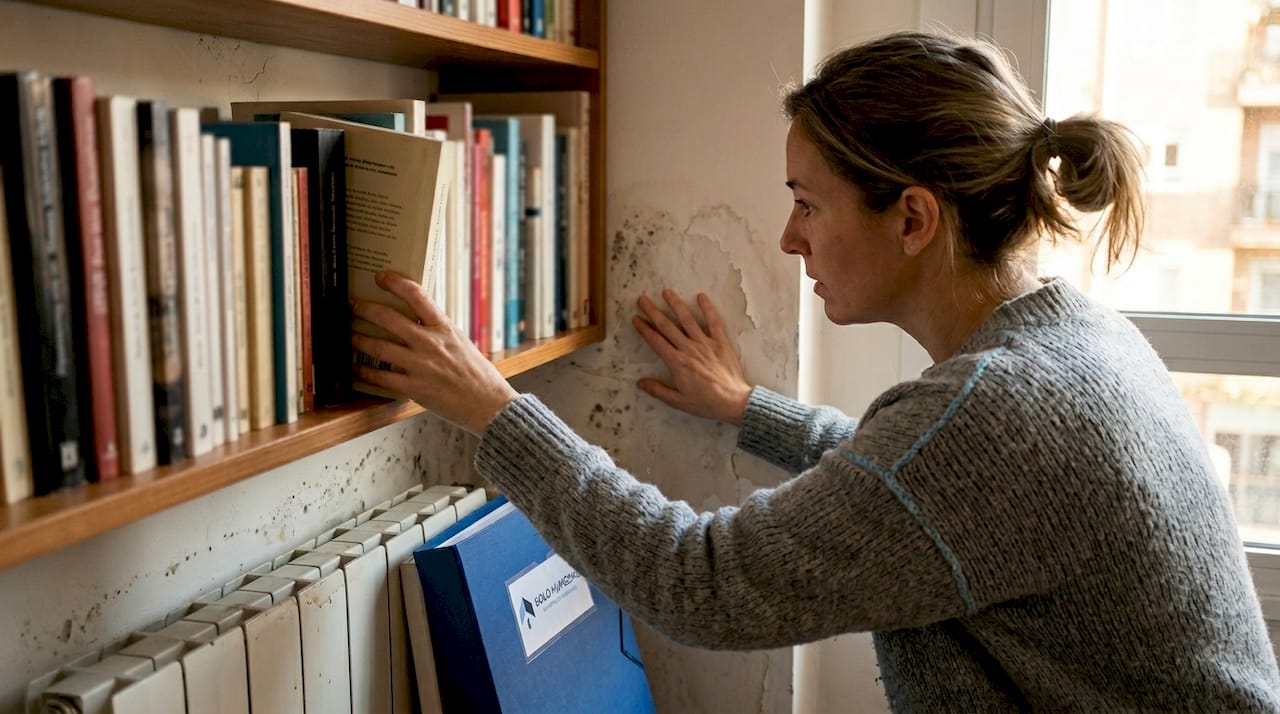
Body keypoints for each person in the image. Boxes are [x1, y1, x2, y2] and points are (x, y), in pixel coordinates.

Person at [350, 29, 1280, 712]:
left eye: (807, 204)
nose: (791, 237)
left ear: (913, 219)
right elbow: (909, 497)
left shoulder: (995, 415)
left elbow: (697, 581)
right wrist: (750, 409)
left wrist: (494, 408)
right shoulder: (1072, 344)